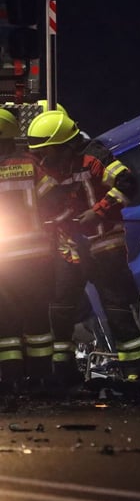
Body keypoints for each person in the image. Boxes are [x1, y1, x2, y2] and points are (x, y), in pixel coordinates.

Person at [27, 110, 140, 385]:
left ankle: (134, 369)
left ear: (65, 145)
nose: (44, 159)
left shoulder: (95, 157)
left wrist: (98, 212)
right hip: (70, 248)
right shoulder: (53, 166)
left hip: (103, 245)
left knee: (116, 307)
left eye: (49, 151)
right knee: (60, 308)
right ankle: (63, 370)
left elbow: (127, 183)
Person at [0, 109, 55, 392]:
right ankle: (42, 377)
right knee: (37, 319)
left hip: (4, 263)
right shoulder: (32, 165)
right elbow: (53, 198)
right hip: (36, 259)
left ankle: (10, 379)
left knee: (6, 323)